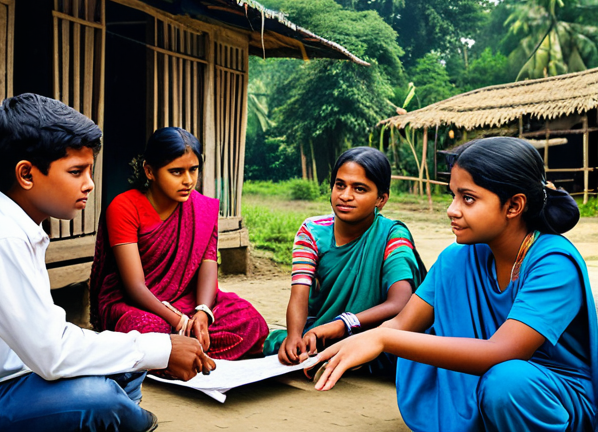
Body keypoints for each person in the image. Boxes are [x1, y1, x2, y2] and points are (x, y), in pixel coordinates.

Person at [0, 94, 214, 432]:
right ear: (27, 174)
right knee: (99, 398)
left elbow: (49, 340)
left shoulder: (19, 229)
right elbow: (53, 353)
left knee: (126, 363)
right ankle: (131, 420)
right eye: (76, 171)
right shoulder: (0, 241)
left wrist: (153, 349)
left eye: (89, 170)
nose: (89, 183)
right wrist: (162, 347)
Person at [312, 137, 596, 432]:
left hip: (551, 395)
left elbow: (504, 352)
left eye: (468, 198)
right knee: (425, 348)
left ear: (513, 205)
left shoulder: (553, 263)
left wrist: (382, 340)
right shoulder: (456, 258)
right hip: (490, 382)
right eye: (453, 196)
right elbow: (402, 324)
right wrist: (354, 342)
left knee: (507, 382)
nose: (452, 209)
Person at [90, 127, 268, 360]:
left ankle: (179, 354)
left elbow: (208, 265)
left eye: (193, 170)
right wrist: (180, 321)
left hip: (189, 301)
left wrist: (202, 313)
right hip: (138, 305)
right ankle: (182, 352)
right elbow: (134, 287)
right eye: (176, 172)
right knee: (147, 330)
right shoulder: (124, 208)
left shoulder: (202, 209)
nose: (188, 180)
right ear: (149, 171)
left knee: (251, 321)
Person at [264, 147, 425, 370]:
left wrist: (344, 323)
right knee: (277, 342)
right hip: (322, 329)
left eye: (359, 189)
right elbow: (299, 294)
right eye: (340, 185)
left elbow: (400, 301)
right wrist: (293, 337)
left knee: (407, 355)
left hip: (374, 330)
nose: (345, 195)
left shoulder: (391, 234)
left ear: (381, 199)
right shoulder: (312, 232)